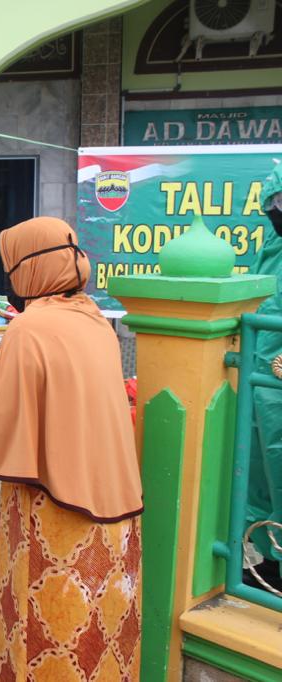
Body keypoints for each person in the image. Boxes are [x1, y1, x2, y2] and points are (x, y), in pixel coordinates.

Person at [0, 217, 143, 680]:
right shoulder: (92, 318)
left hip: (54, 515)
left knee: (47, 635)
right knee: (100, 634)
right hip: (113, 513)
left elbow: (1, 428)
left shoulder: (30, 328)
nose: (11, 281)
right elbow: (47, 390)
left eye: (12, 269)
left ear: (31, 269)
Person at [245, 160, 282, 593]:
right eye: (274, 203)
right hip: (263, 377)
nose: (276, 210)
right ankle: (273, 561)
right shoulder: (272, 242)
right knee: (265, 468)